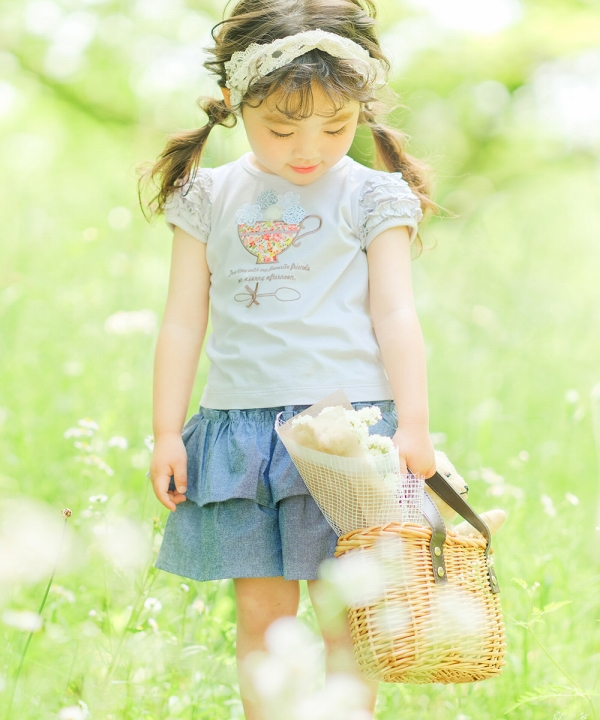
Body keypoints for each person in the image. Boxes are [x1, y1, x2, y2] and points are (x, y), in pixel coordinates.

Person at [143, 0, 437, 717]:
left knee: (346, 619)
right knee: (262, 624)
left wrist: (415, 427)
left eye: (335, 127)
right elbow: (183, 321)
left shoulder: (371, 194)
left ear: (358, 111)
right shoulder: (209, 196)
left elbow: (396, 314)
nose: (308, 147)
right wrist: (166, 431)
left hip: (345, 435)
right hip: (241, 437)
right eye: (281, 127)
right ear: (237, 103)